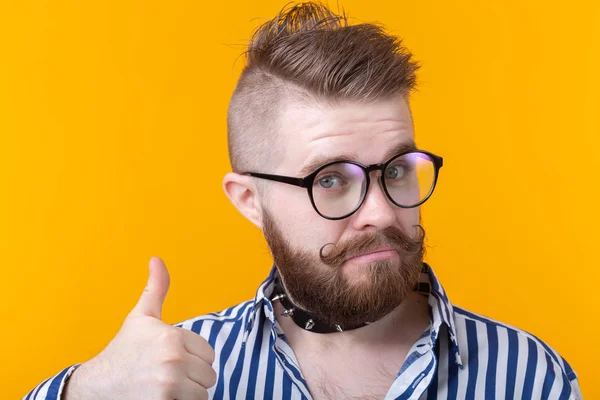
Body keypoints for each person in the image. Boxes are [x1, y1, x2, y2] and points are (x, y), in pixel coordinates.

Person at [24, 2, 582, 399]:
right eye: (331, 180)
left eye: (396, 169)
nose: (383, 212)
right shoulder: (171, 378)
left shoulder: (534, 378)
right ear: (248, 199)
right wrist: (87, 392)